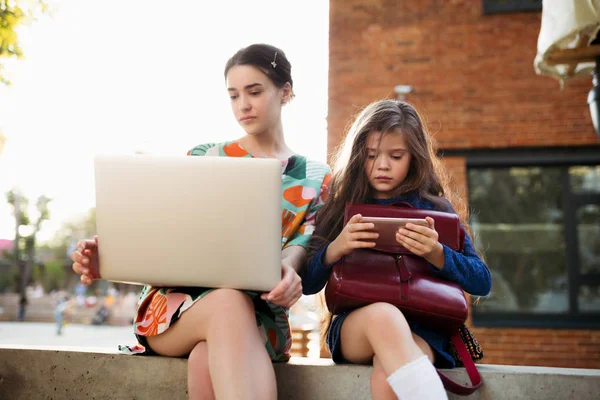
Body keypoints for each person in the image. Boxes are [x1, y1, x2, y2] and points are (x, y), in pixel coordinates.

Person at [71, 43, 331, 400]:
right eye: (234, 95)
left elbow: (302, 245)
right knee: (226, 302)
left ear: (285, 91)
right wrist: (114, 257)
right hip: (176, 311)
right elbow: (170, 233)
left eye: (255, 92)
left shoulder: (317, 175)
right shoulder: (206, 156)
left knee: (206, 358)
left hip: (260, 318)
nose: (244, 105)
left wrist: (288, 274)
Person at [302, 100, 492, 400]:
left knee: (388, 376)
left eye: (396, 156)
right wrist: (336, 249)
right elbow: (307, 283)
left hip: (422, 330)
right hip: (357, 327)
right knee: (384, 317)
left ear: (414, 157)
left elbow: (482, 281)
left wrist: (437, 253)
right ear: (357, 156)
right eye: (371, 155)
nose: (382, 165)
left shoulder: (434, 209)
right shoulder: (340, 207)